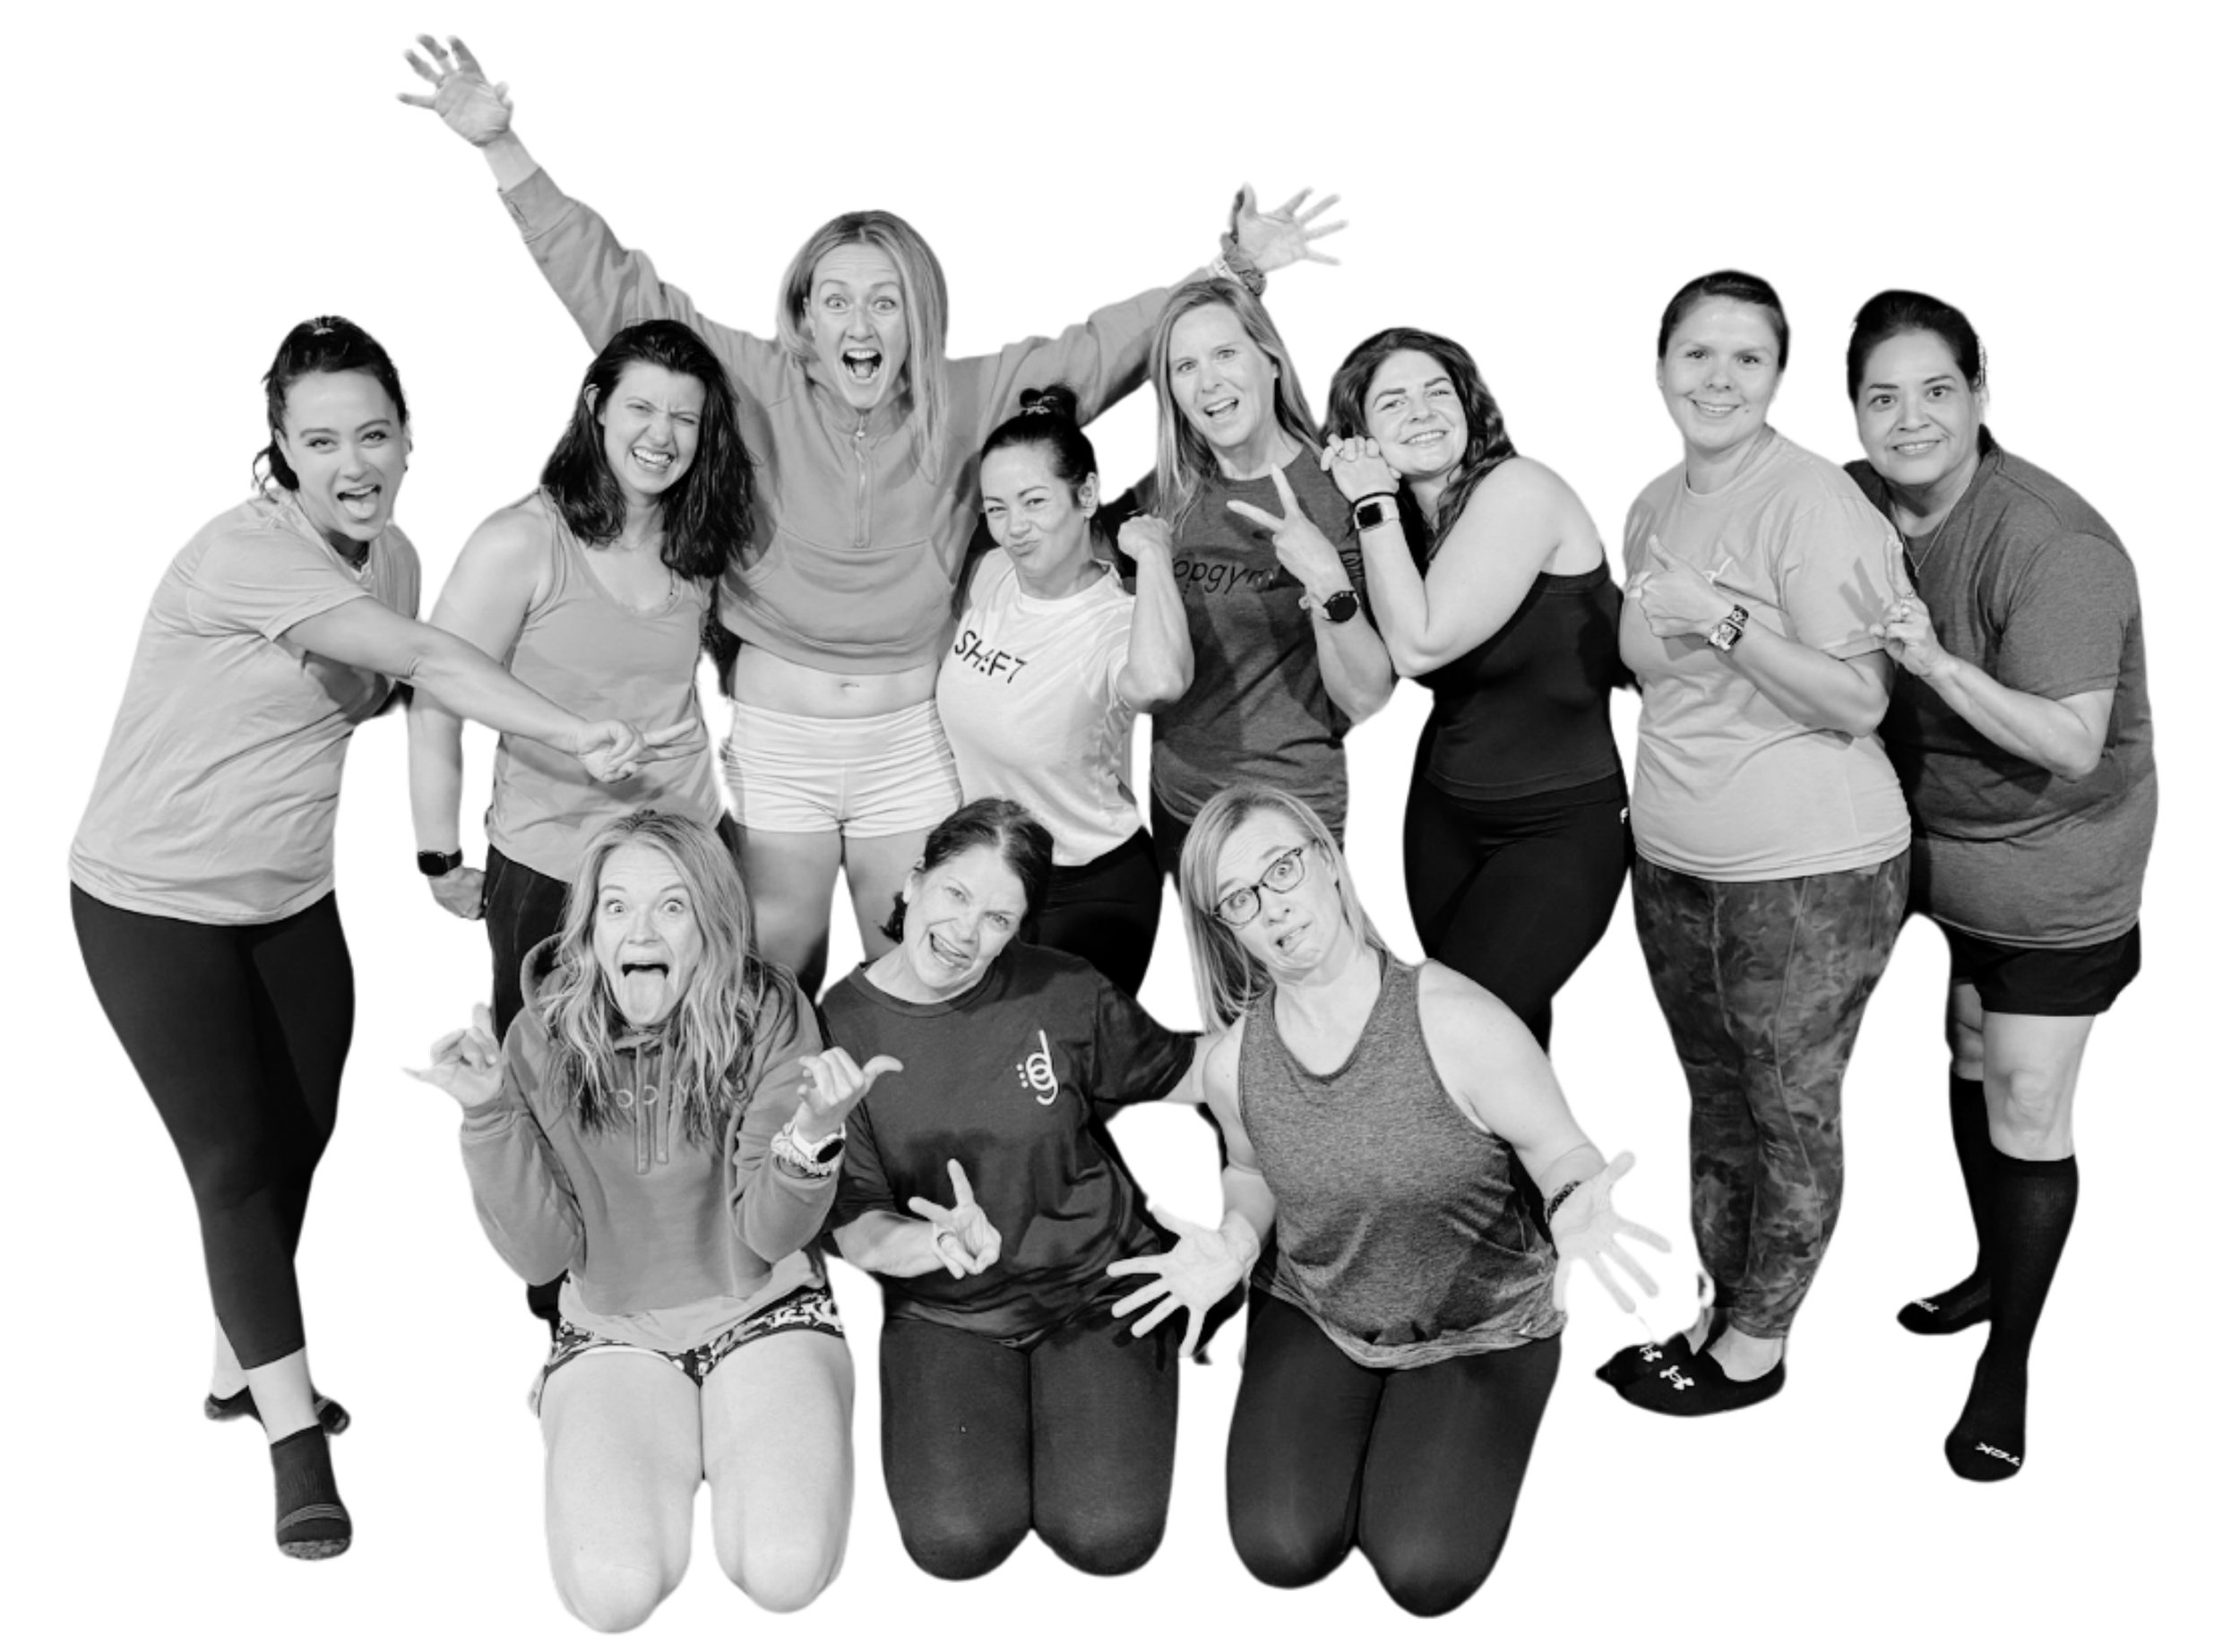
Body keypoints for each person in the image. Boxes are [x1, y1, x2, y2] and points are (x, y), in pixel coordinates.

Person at [395, 32, 1350, 985]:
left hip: (909, 737)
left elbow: (1104, 345)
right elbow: (607, 283)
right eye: (839, 303)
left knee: (916, 956)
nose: (862, 326)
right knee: (774, 957)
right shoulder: (750, 380)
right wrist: (506, 146)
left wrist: (1232, 273)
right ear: (804, 318)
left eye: (886, 303)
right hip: (777, 737)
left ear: (920, 316)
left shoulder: (971, 393)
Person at [65, 315, 667, 1565]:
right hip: (149, 892)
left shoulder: (392, 552)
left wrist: (445, 849)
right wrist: (567, 734)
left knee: (301, 1141)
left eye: (374, 434)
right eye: (321, 438)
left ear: (406, 439)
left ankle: (240, 1359)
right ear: (280, 451)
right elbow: (428, 657)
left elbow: (422, 687)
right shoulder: (245, 555)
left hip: (284, 896)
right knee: (228, 1160)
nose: (353, 461)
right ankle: (297, 1443)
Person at [1107, 782, 1667, 1621]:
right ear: (1225, 928)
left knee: (1421, 1571)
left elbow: (1559, 1148)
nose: (1275, 906)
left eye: (1284, 868)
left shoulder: (1458, 1019)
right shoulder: (1232, 1063)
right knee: (1277, 1550)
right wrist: (1235, 1241)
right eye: (1241, 898)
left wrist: (1575, 1200)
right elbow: (1254, 1171)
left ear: (1330, 865)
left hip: (1483, 1319)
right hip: (1326, 1306)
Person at [408, 811, 880, 1632]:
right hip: (613, 1332)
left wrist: (812, 1137)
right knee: (613, 1596)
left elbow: (769, 1234)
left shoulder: (769, 1014)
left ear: (711, 923)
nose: (640, 927)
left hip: (765, 1312)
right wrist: (485, 1116)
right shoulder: (536, 1039)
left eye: (671, 906)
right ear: (590, 930)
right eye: (616, 906)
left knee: (785, 1575)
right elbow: (537, 1256)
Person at [1841, 288, 2158, 1483]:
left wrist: (1922, 654)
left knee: (2029, 1104)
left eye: (1937, 391)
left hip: (2055, 865)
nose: (1909, 417)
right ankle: (1978, 1276)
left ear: (1981, 403)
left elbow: (2072, 741)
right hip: (1939, 853)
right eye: (1883, 396)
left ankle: (2011, 1367)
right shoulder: (1860, 501)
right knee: (1970, 1067)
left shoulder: (2050, 542)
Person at [1602, 268, 1913, 1419]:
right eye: (1697, 356)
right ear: (1659, 375)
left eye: (1745, 360)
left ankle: (1763, 1335)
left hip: (1810, 872)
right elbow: (1655, 671)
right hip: (1679, 865)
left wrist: (1725, 617)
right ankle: (1727, 1283)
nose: (1717, 379)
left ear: (1780, 383)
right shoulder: (1654, 499)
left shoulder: (1815, 502)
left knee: (1786, 1105)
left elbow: (1861, 699)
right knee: (1716, 1097)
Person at [820, 799, 1210, 1585]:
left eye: (999, 917)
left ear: (1021, 928)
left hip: (1092, 1284)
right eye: (956, 895)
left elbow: (1192, 1071)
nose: (968, 932)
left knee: (1110, 1538)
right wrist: (932, 1242)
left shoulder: (1062, 990)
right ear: (914, 881)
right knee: (955, 1544)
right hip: (943, 1305)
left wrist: (1315, 1029)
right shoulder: (839, 1020)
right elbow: (857, 1230)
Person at [408, 319, 750, 1037]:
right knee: (546, 1093)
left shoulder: (701, 536)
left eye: (684, 418)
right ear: (596, 406)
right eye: (642, 409)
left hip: (687, 857)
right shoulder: (519, 540)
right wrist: (440, 859)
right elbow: (436, 704)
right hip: (554, 864)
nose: (662, 436)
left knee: (695, 1084)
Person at [1321, 323, 1625, 1027]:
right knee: (1490, 1057)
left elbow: (1418, 647)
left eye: (1437, 392)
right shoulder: (1403, 529)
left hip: (1555, 831)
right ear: (1357, 435)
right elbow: (1364, 688)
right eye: (1392, 402)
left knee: (1458, 1038)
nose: (1422, 411)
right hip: (1444, 822)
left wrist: (1369, 504)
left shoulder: (1522, 486)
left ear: (1469, 404)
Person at [1116, 280, 1396, 895]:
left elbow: (1367, 699)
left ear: (1270, 361)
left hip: (1289, 816)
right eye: (1184, 366)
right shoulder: (1166, 495)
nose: (1207, 381)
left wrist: (1324, 574)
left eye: (1225, 354)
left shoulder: (1339, 482)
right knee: (1202, 992)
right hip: (1180, 809)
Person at [937, 385, 1193, 1011]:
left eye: (1033, 502)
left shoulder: (1116, 623)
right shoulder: (992, 574)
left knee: (1102, 1088)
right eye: (997, 509)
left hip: (1090, 885)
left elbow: (1162, 683)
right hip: (996, 879)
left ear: (1085, 496)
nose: (1013, 528)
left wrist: (1154, 554)